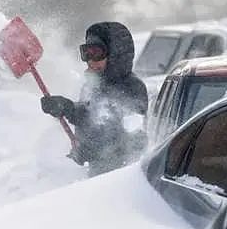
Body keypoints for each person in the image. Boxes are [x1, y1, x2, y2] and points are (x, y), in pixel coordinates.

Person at [40, 21, 148, 176]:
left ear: (115, 54)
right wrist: (66, 107)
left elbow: (132, 139)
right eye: (86, 53)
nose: (90, 60)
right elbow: (89, 115)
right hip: (96, 175)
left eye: (96, 53)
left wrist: (92, 151)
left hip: (120, 180)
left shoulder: (132, 88)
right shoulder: (93, 85)